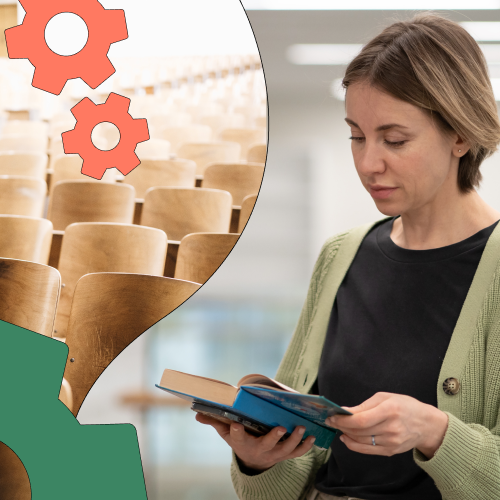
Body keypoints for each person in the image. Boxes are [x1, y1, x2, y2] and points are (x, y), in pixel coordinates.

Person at [196, 12, 500, 500]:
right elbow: (298, 469)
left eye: (395, 140)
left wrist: (435, 432)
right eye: (356, 135)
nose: (367, 163)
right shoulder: (341, 256)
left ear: (461, 135)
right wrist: (259, 461)